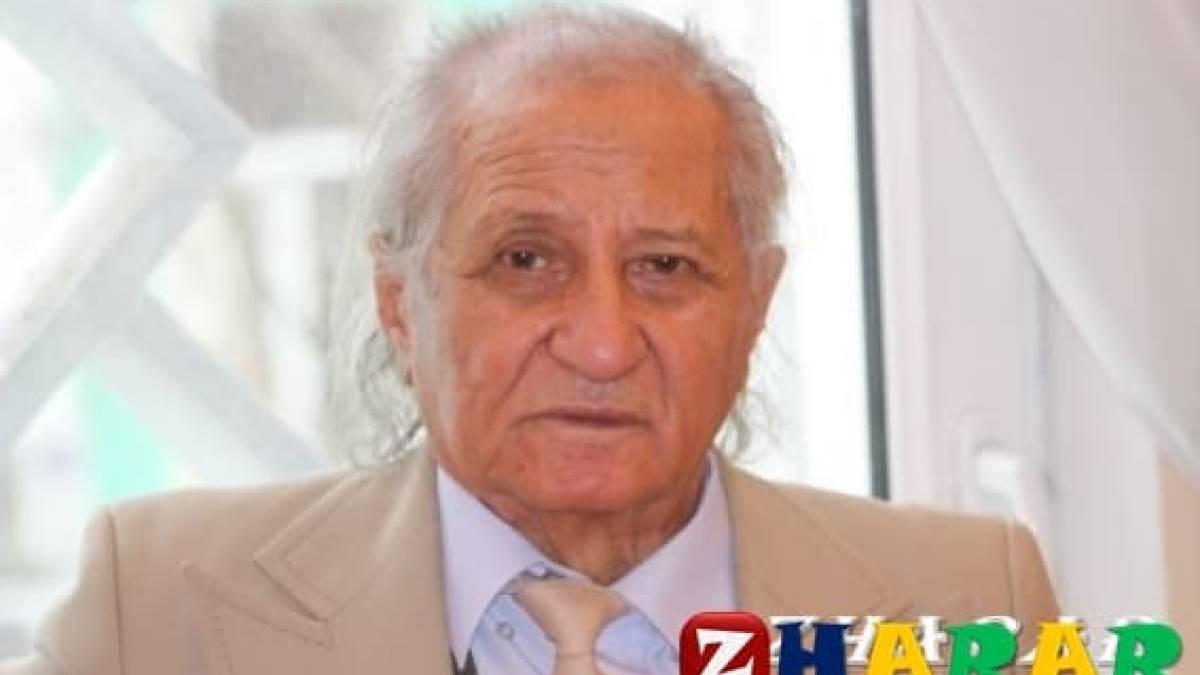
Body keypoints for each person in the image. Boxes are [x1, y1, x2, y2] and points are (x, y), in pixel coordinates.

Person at [1, 5, 1057, 675]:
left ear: (755, 304)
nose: (601, 343)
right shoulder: (159, 608)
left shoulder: (970, 601)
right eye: (525, 260)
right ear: (400, 302)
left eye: (665, 266)